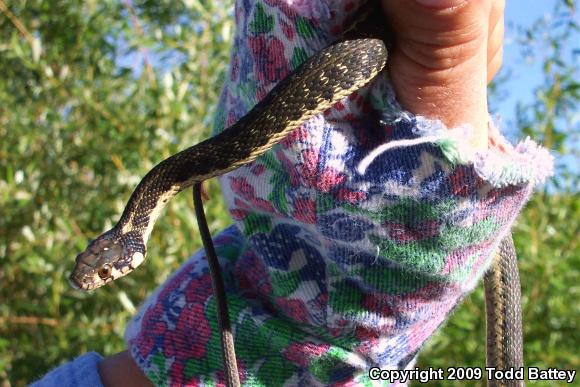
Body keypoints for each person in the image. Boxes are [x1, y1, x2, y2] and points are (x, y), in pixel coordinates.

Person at [33, 0, 552, 386]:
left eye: (102, 268)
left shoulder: (169, 179)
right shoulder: (165, 182)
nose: (98, 275)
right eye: (103, 271)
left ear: (124, 246)